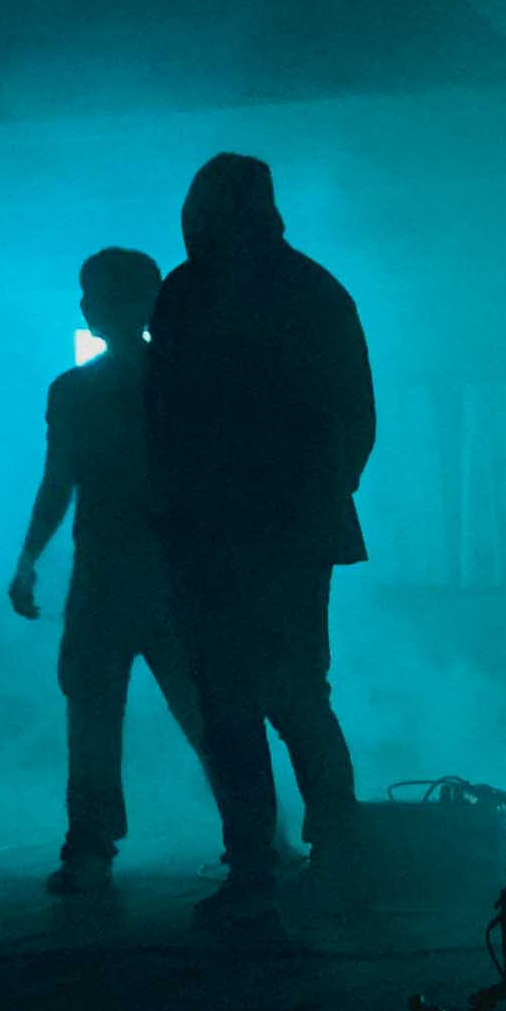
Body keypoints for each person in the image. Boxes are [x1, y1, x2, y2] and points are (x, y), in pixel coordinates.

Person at [147, 154, 374, 924]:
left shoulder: (186, 294)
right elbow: (356, 420)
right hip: (288, 535)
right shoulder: (315, 291)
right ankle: (335, 855)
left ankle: (254, 863)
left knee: (232, 705)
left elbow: (164, 421)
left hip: (214, 538)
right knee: (297, 694)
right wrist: (315, 499)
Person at [9, 249, 243, 895]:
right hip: (159, 573)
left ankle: (95, 848)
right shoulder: (174, 378)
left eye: (108, 297)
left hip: (122, 574)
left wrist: (30, 557)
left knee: (102, 715)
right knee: (196, 712)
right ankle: (253, 842)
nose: (99, 308)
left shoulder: (82, 388)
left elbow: (62, 480)